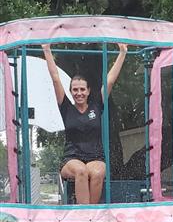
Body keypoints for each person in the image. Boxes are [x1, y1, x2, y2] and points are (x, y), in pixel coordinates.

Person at [42, 43, 127, 205]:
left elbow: (109, 81)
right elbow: (55, 79)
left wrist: (122, 52)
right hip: (72, 159)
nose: (79, 93)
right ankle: (84, 213)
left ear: (88, 91)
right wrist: (46, 49)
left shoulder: (97, 105)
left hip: (96, 157)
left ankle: (92, 215)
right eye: (75, 90)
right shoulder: (66, 107)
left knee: (95, 172)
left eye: (82, 89)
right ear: (71, 92)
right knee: (81, 170)